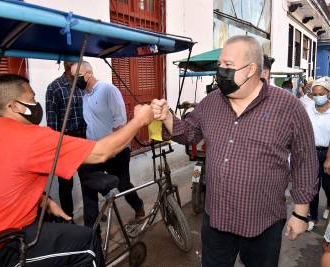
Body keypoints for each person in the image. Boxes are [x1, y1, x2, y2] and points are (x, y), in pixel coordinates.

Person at [0, 74, 154, 267]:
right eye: (32, 99)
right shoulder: (30, 137)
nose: (36, 104)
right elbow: (101, 153)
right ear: (14, 106)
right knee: (86, 241)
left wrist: (42, 200)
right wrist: (139, 120)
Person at [151, 35, 318, 267]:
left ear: (251, 69)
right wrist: (168, 118)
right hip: (217, 219)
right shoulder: (211, 103)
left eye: (227, 65)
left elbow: (305, 161)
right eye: (220, 65)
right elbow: (188, 133)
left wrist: (301, 213)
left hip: (263, 223)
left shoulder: (288, 107)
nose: (220, 71)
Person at [71, 61, 145, 228]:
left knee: (123, 184)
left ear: (88, 74)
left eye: (77, 77)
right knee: (88, 185)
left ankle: (138, 206)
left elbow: (120, 122)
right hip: (94, 150)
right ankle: (92, 230)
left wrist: (113, 149)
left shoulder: (108, 90)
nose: (74, 81)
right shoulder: (85, 96)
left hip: (115, 150)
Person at [46, 61, 86, 219]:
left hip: (83, 138)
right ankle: (68, 218)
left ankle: (92, 213)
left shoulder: (82, 85)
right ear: (67, 66)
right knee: (65, 184)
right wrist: (56, 147)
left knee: (88, 178)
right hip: (65, 141)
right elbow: (52, 122)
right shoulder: (54, 87)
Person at [305, 80, 330, 231]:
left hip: (327, 152)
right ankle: (312, 216)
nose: (318, 97)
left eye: (321, 94)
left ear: (328, 94)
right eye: (315, 95)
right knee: (313, 187)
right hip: (312, 152)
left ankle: (328, 206)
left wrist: (328, 159)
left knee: (328, 186)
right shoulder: (309, 109)